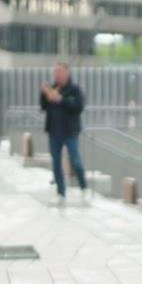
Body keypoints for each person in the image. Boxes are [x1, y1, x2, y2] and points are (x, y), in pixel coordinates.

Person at [38, 62, 86, 201]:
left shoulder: (74, 89)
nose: (57, 74)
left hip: (70, 131)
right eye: (55, 72)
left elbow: (78, 107)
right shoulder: (52, 88)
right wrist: (44, 94)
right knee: (56, 161)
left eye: (60, 71)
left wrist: (61, 100)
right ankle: (61, 191)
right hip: (54, 131)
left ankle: (83, 185)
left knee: (75, 159)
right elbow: (43, 106)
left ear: (67, 73)